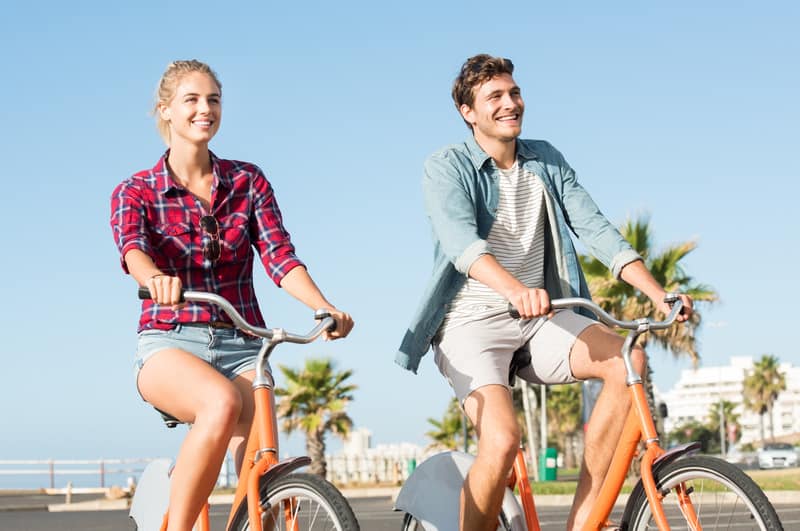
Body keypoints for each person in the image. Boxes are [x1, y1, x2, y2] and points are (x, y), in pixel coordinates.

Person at [397, 54, 693, 531]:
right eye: (494, 96)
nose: (510, 103)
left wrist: (659, 294)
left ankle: (583, 523)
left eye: (514, 93)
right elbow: (461, 245)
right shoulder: (446, 166)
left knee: (628, 362)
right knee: (502, 439)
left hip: (539, 319)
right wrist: (515, 289)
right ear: (467, 111)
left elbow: (596, 229)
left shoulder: (545, 158)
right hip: (470, 325)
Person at [110, 60, 354, 531]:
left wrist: (322, 306)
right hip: (170, 340)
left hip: (245, 342)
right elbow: (133, 250)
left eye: (214, 100)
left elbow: (280, 258)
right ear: (165, 110)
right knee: (220, 404)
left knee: (260, 463)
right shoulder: (135, 190)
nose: (206, 109)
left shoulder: (248, 181)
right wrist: (156, 279)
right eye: (192, 100)